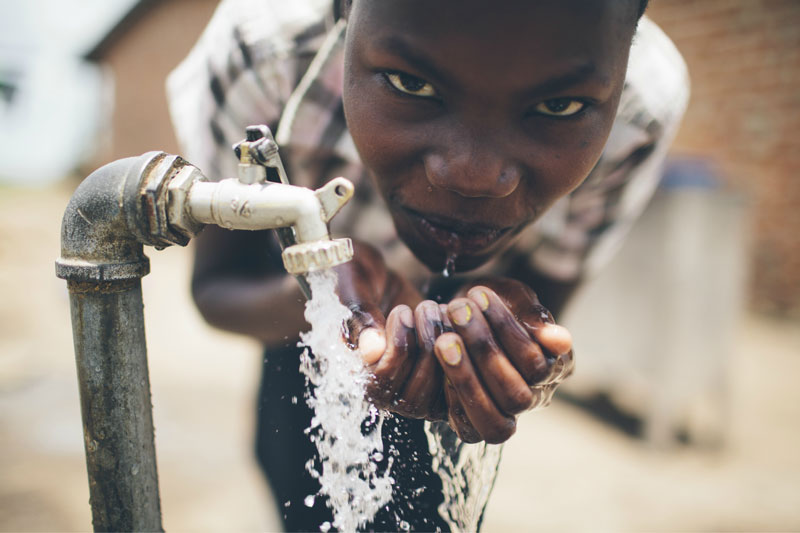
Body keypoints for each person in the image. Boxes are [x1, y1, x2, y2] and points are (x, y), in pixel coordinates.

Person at [167, 0, 688, 530]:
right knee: (302, 493)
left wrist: (515, 340)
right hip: (300, 332)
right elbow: (219, 285)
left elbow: (543, 304)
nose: (475, 176)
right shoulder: (264, 53)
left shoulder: (641, 111)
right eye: (410, 84)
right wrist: (318, 302)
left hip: (462, 330)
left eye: (559, 107)